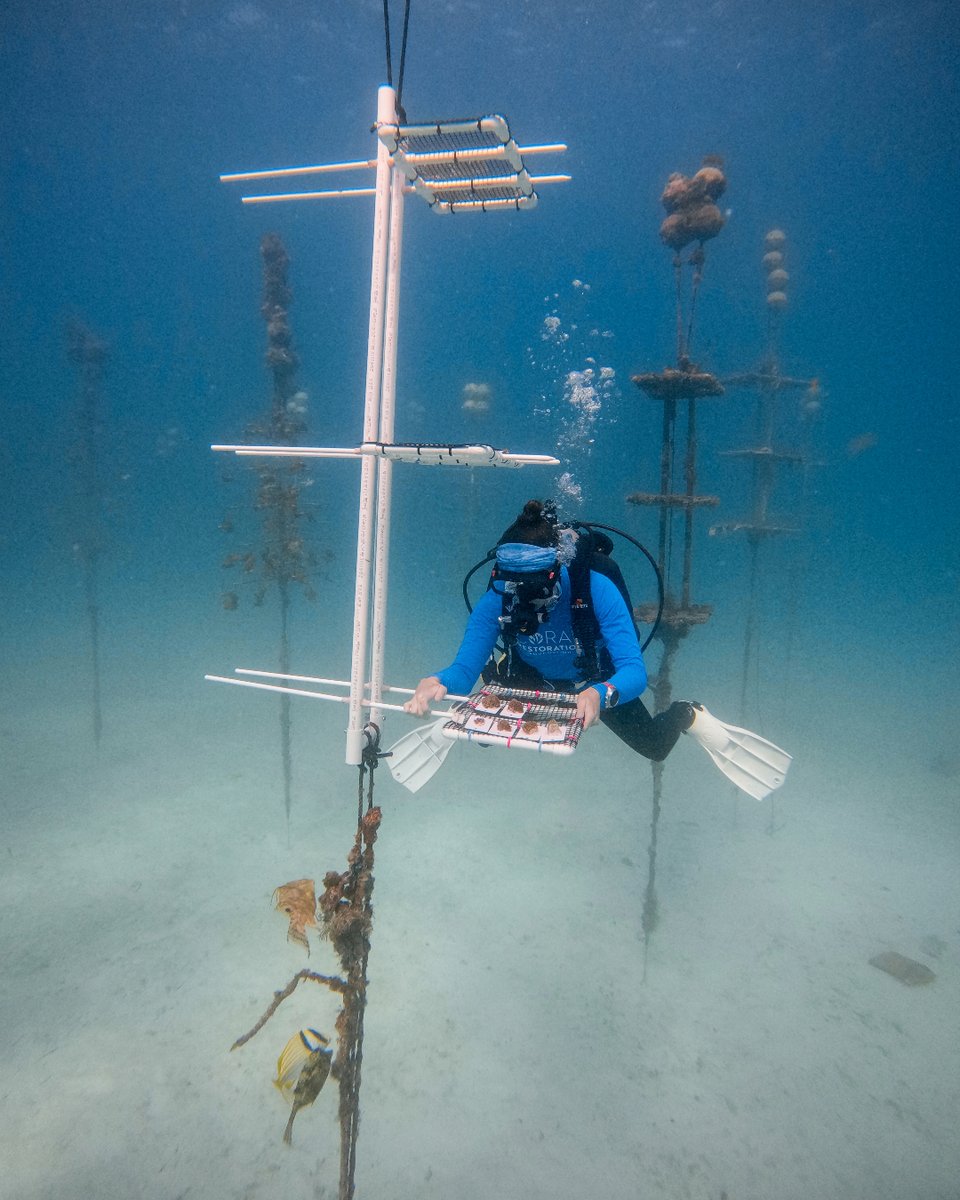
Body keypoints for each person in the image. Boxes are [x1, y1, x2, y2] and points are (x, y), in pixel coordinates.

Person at [404, 498, 696, 760]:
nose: (525, 598)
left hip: (594, 679)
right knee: (484, 737)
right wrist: (438, 681)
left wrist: (601, 693)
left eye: (535, 586)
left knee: (656, 747)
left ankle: (686, 712)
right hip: (535, 678)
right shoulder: (498, 598)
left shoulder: (597, 589)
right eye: (515, 585)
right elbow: (465, 671)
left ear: (556, 571)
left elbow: (634, 672)